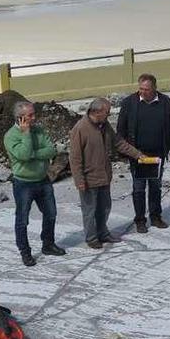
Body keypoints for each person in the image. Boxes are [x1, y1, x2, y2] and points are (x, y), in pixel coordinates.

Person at [69, 98, 145, 249]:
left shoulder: (104, 126)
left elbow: (118, 143)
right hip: (88, 179)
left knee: (104, 208)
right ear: (96, 112)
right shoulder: (80, 129)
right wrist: (79, 180)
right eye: (107, 112)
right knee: (90, 211)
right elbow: (75, 158)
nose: (109, 115)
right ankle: (91, 238)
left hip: (104, 176)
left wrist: (138, 154)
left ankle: (103, 233)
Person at [4, 101, 66, 267]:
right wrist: (25, 135)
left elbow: (51, 150)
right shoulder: (11, 136)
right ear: (20, 118)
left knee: (51, 213)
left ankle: (48, 244)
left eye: (33, 114)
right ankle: (25, 252)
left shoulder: (38, 130)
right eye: (30, 115)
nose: (34, 117)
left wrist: (34, 154)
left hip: (43, 180)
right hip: (23, 183)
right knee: (23, 219)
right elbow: (23, 155)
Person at [116, 73, 170, 233]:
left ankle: (156, 217)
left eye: (146, 89)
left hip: (157, 153)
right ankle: (140, 220)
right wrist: (123, 154)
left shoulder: (165, 102)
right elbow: (121, 129)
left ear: (154, 88)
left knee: (155, 187)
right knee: (138, 188)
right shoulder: (129, 103)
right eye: (141, 89)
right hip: (136, 154)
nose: (143, 92)